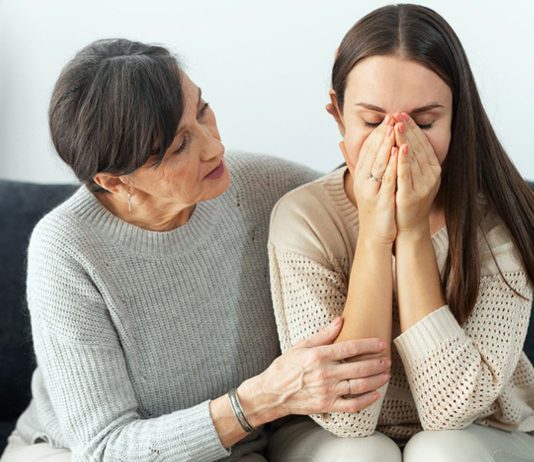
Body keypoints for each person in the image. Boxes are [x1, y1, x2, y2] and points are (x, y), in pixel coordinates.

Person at [0, 39, 392, 462]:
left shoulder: (258, 186)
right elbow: (105, 448)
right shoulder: (65, 251)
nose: (213, 146)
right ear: (115, 181)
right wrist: (262, 399)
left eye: (202, 110)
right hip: (72, 453)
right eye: (179, 146)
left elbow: (366, 199)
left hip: (241, 445)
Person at [268, 4, 534, 461]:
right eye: (372, 122)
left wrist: (410, 234)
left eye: (425, 123)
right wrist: (374, 235)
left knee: (442, 450)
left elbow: (451, 412)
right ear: (337, 115)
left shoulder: (503, 219)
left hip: (485, 430)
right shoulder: (304, 217)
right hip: (327, 434)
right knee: (359, 454)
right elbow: (347, 419)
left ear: (457, 117)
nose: (397, 143)